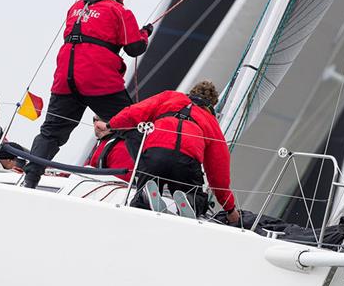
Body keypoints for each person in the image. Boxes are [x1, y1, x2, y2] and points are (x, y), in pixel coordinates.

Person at [24, 0, 152, 189]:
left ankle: (30, 179)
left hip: (65, 78)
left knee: (51, 132)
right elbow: (135, 48)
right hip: (98, 78)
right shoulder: (118, 10)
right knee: (132, 126)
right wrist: (145, 33)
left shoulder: (75, 8)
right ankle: (148, 181)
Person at [102, 81, 240, 225]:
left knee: (147, 185)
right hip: (186, 163)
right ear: (212, 104)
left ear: (191, 92)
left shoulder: (170, 97)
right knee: (198, 197)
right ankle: (191, 201)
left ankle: (145, 197)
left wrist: (110, 125)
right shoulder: (212, 123)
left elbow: (133, 112)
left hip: (155, 155)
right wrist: (229, 208)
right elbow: (218, 171)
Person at [85, 116, 133, 182]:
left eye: (104, 120)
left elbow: (120, 184)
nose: (97, 124)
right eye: (95, 120)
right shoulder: (102, 143)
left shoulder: (122, 148)